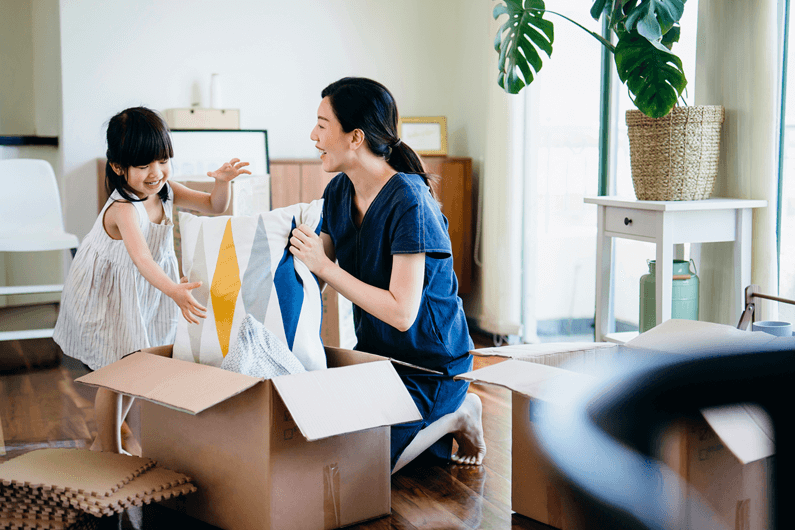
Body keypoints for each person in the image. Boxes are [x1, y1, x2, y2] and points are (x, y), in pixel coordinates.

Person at [289, 77, 486, 473]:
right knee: (321, 450)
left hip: (432, 369)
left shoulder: (410, 202)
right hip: (377, 361)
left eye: (322, 124)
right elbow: (316, 276)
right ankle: (424, 431)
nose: (313, 135)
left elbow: (401, 313)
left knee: (364, 470)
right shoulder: (338, 192)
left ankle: (459, 410)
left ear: (355, 137)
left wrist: (324, 266)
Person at [53, 106, 251, 454]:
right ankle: (110, 451)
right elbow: (142, 259)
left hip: (144, 289)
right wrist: (174, 288)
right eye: (143, 165)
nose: (155, 173)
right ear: (117, 167)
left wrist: (222, 184)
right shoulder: (124, 210)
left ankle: (105, 443)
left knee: (136, 368)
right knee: (117, 376)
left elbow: (214, 206)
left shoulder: (166, 190)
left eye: (162, 160)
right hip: (109, 294)